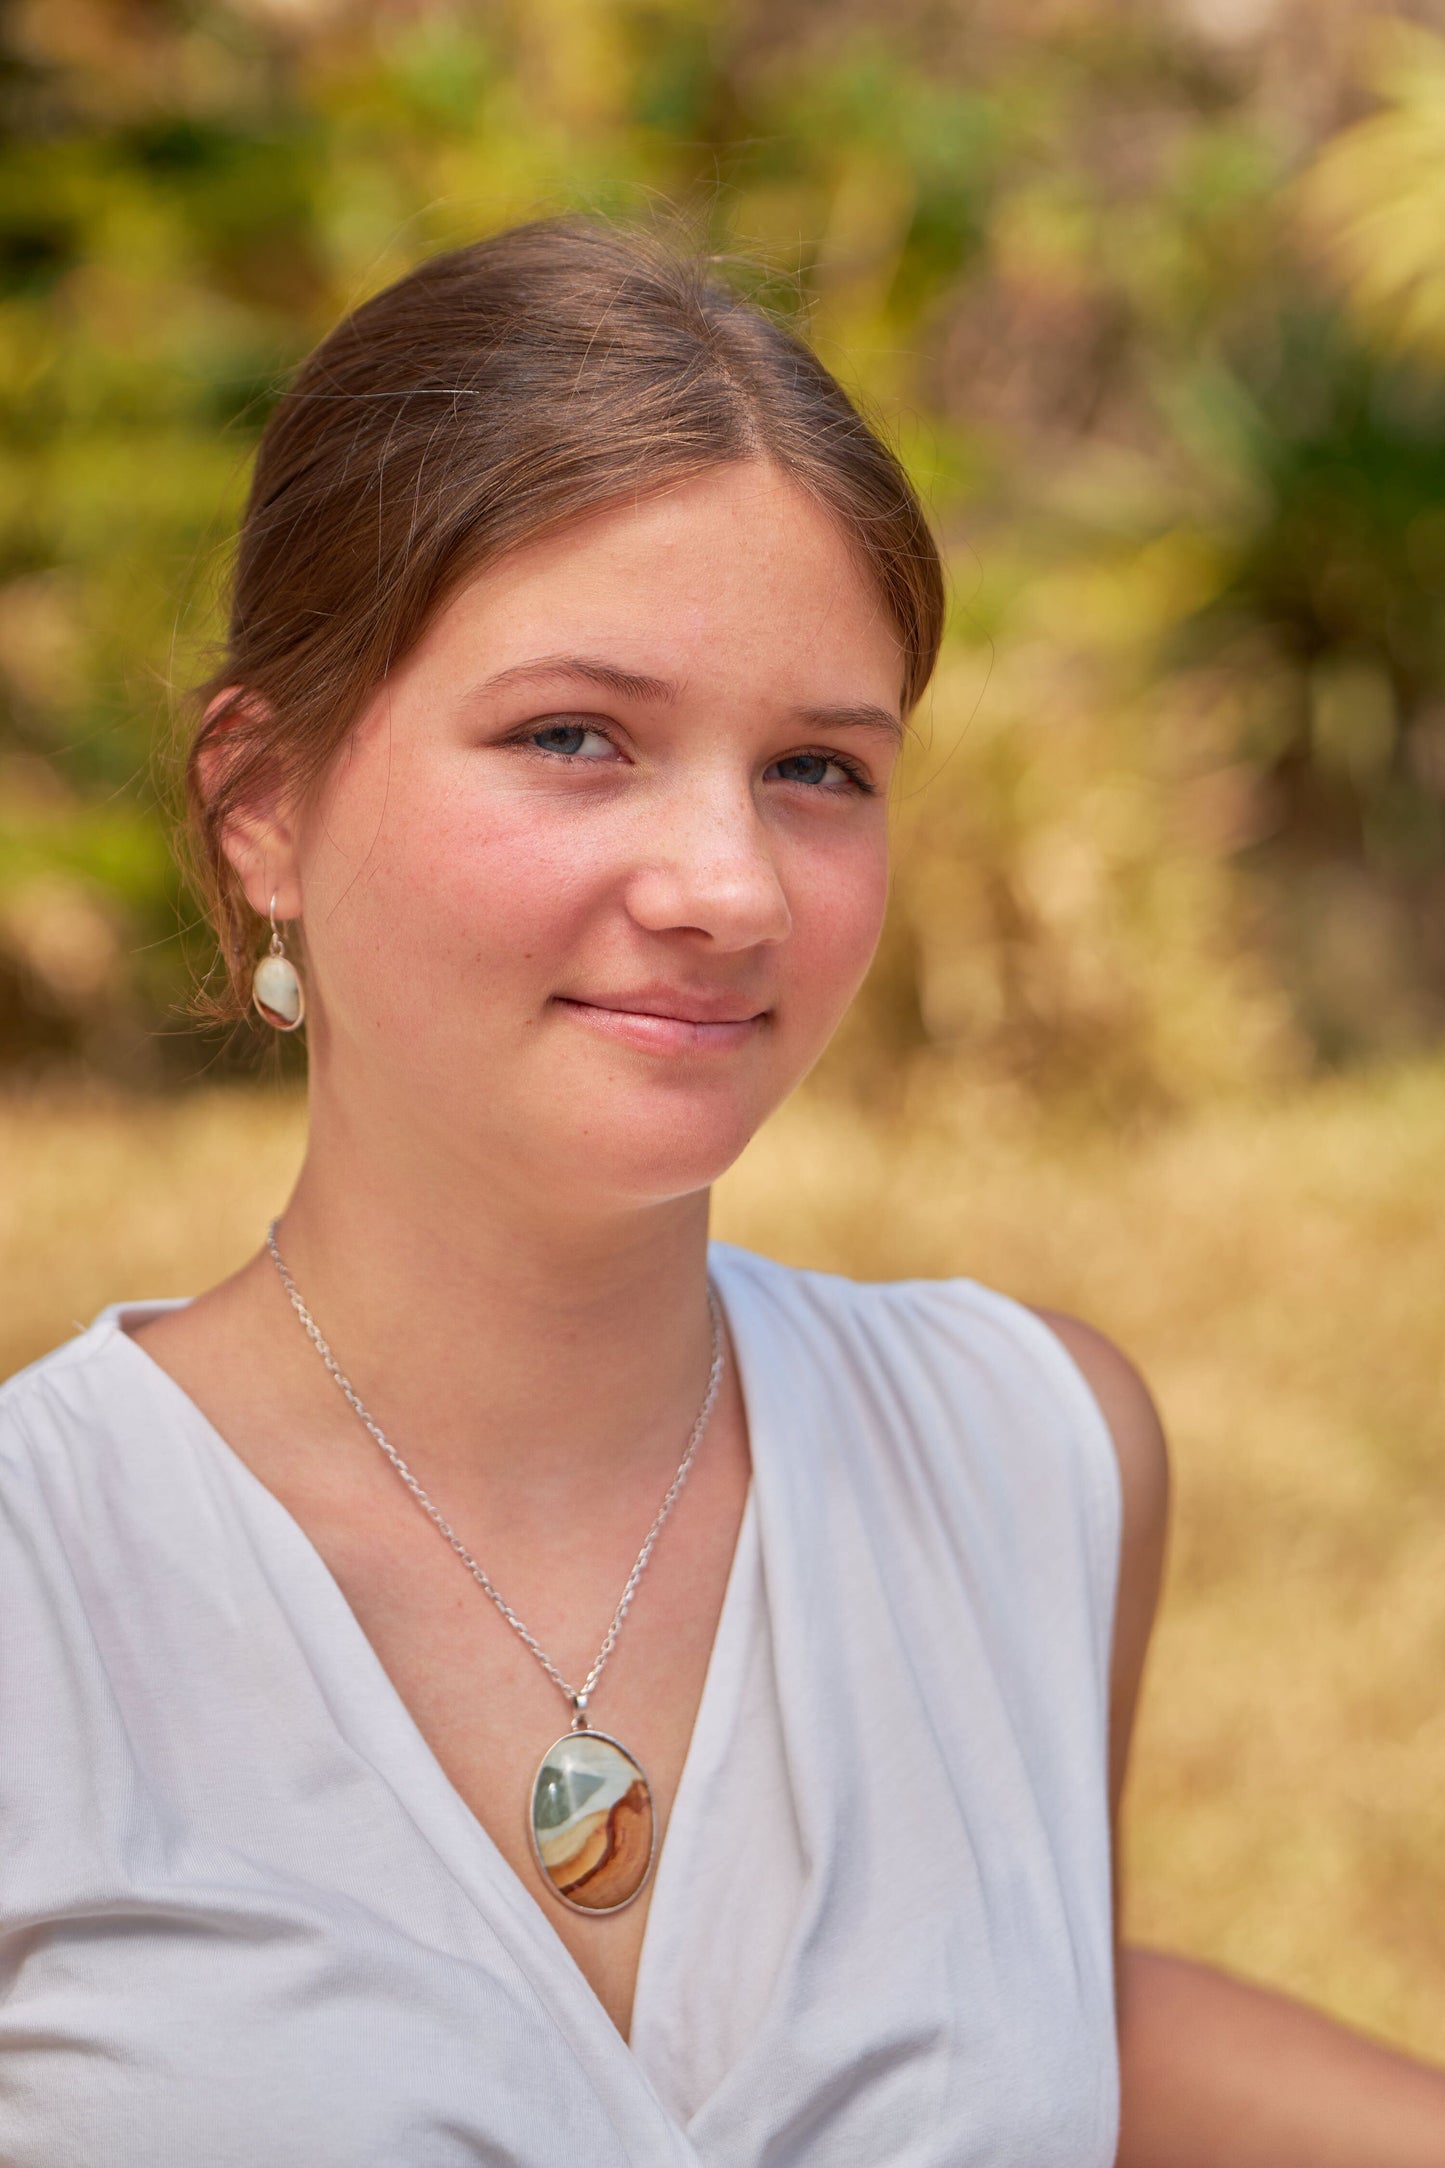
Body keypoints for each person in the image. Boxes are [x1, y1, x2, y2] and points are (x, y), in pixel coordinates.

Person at [0, 217, 1440, 2168]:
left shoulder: (1031, 1451)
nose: (729, 887)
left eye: (818, 770)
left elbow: (1041, 2019)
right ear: (265, 804)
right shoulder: (45, 1586)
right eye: (576, 737)